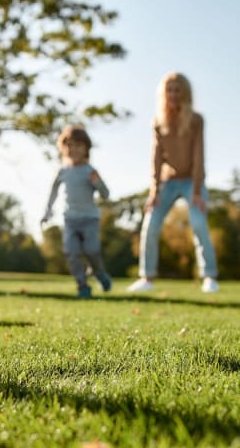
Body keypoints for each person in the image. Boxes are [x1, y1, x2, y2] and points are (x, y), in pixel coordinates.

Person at [127, 72, 219, 293]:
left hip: (191, 182)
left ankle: (209, 276)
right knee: (150, 223)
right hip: (167, 183)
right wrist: (154, 191)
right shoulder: (158, 122)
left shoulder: (196, 120)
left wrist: (197, 191)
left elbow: (199, 157)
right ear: (163, 94)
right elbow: (156, 159)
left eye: (178, 89)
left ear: (185, 93)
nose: (173, 94)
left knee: (198, 223)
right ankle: (147, 277)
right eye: (169, 90)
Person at [41, 124, 111, 299]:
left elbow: (105, 194)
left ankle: (99, 272)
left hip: (90, 219)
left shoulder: (90, 171)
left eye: (78, 145)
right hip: (70, 220)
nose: (74, 149)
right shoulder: (63, 171)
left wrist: (97, 183)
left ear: (86, 148)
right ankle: (82, 285)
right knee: (71, 253)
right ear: (63, 147)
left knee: (91, 250)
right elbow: (53, 192)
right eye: (69, 145)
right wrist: (47, 212)